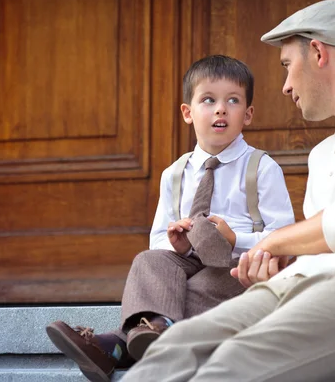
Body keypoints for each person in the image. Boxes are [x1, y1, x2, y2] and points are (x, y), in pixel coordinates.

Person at [119, 0, 335, 382]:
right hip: (298, 288)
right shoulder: (321, 155)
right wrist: (272, 268)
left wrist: (270, 244)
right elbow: (322, 246)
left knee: (231, 366)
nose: (285, 86)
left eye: (287, 65)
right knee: (172, 349)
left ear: (318, 52)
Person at [45, 55, 295, 382]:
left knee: (204, 283)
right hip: (189, 260)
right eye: (208, 100)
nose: (220, 109)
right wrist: (177, 245)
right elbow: (158, 238)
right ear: (188, 113)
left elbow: (285, 234)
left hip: (238, 266)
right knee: (150, 261)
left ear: (247, 115)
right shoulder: (174, 174)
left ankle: (116, 344)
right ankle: (157, 329)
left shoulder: (261, 168)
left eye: (232, 101)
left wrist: (235, 239)